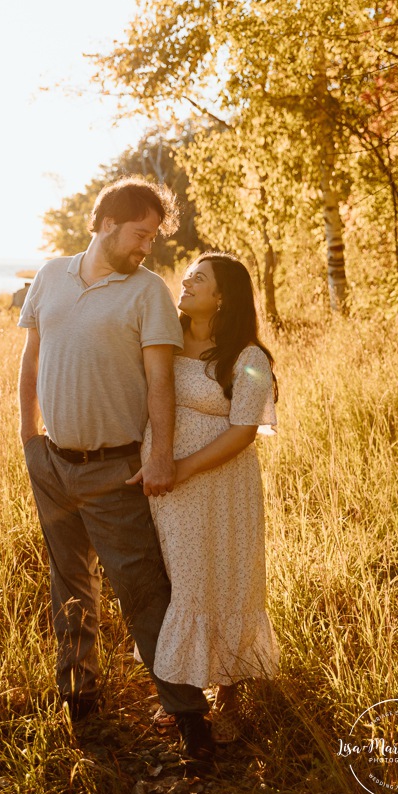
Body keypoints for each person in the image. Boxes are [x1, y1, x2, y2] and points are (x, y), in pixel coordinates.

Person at [18, 178, 214, 763]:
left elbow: (160, 379)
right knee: (68, 584)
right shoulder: (51, 276)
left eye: (152, 237)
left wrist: (159, 456)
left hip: (115, 469)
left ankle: (188, 716)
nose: (146, 247)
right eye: (140, 234)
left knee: (143, 591)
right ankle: (81, 700)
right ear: (106, 223)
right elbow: (31, 358)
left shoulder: (147, 291)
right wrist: (29, 438)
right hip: (53, 462)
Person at [127, 252, 279, 738]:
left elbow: (243, 433)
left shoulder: (249, 359)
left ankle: (229, 693)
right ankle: (182, 693)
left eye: (199, 279)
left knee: (223, 577)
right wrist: (158, 466)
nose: (186, 283)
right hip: (166, 488)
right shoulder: (164, 343)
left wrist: (180, 467)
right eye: (187, 276)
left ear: (223, 297)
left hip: (219, 486)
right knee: (177, 581)